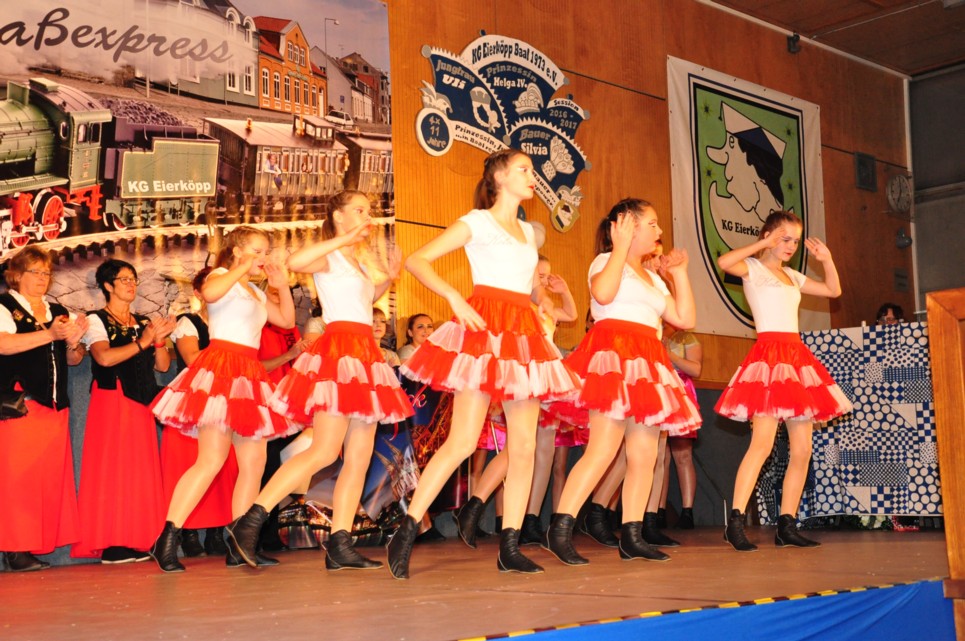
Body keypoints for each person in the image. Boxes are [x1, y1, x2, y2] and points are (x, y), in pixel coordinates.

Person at [386, 148, 580, 578]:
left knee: (524, 446)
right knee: (461, 441)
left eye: (532, 170)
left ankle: (510, 545)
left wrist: (546, 301)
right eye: (523, 169)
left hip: (522, 335)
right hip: (483, 328)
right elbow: (418, 260)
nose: (532, 176)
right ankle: (407, 528)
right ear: (499, 177)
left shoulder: (529, 232)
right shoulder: (478, 222)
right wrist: (454, 298)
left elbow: (527, 289)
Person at [227, 190, 413, 571]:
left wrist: (388, 281)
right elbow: (296, 261)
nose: (367, 217)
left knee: (358, 457)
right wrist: (343, 238)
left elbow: (361, 303)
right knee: (325, 451)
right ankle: (251, 519)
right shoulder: (330, 254)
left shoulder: (357, 263)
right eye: (358, 210)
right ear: (338, 216)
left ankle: (340, 541)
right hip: (340, 352)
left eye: (369, 211)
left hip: (364, 353)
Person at [543, 198, 700, 566]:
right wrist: (619, 248)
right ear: (628, 225)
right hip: (613, 358)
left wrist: (679, 274)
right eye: (652, 223)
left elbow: (685, 319)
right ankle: (560, 529)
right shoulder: (605, 261)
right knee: (603, 450)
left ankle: (632, 535)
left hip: (647, 363)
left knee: (645, 456)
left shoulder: (654, 278)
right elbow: (602, 294)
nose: (659, 231)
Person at [149, 226, 298, 572]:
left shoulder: (256, 292)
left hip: (249, 373)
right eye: (257, 251)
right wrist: (242, 266)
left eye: (266, 252)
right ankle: (167, 537)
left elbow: (287, 320)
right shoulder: (220, 275)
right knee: (211, 460)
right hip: (222, 368)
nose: (264, 258)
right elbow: (210, 293)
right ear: (237, 250)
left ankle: (239, 542)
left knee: (254, 463)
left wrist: (281, 286)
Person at [716, 210, 851, 551]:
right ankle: (734, 522)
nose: (790, 245)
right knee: (762, 444)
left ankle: (786, 525)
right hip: (768, 359)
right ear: (769, 236)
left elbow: (833, 290)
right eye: (784, 238)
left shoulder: (792, 275)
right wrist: (761, 244)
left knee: (802, 449)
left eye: (794, 240)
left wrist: (827, 259)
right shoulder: (753, 268)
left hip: (795, 360)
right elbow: (724, 262)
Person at [456, 254, 578, 547]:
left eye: (547, 274)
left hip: (544, 378)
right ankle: (481, 507)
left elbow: (571, 315)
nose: (544, 279)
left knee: (535, 451)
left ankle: (520, 517)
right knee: (518, 450)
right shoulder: (523, 308)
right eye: (540, 274)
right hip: (523, 379)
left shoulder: (544, 307)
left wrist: (563, 291)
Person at [72, 259, 177, 563]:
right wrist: (144, 342)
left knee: (139, 470)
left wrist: (158, 341)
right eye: (124, 279)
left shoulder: (144, 321)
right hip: (113, 398)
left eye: (133, 279)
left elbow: (162, 366)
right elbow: (104, 358)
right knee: (112, 469)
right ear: (108, 285)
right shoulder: (96, 320)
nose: (131, 285)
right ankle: (111, 542)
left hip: (142, 401)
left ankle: (137, 537)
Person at [0, 247, 88, 572]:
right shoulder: (5, 306)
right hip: (21, 404)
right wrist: (49, 334)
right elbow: (3, 344)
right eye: (35, 272)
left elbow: (73, 359)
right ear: (16, 275)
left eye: (46, 273)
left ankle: (34, 543)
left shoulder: (57, 310)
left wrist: (74, 342)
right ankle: (15, 549)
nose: (42, 278)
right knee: (18, 479)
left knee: (47, 480)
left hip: (53, 405)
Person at [160, 267, 238, 559]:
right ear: (198, 293)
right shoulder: (189, 322)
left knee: (226, 467)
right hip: (197, 397)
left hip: (227, 395)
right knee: (193, 462)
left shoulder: (233, 321)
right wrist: (228, 349)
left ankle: (218, 532)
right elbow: (192, 358)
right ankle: (187, 533)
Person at [658, 321, 703, 530]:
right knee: (660, 457)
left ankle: (687, 512)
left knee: (682, 455)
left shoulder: (686, 338)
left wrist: (670, 355)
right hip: (658, 392)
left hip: (681, 392)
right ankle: (657, 511)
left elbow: (696, 369)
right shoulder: (650, 329)